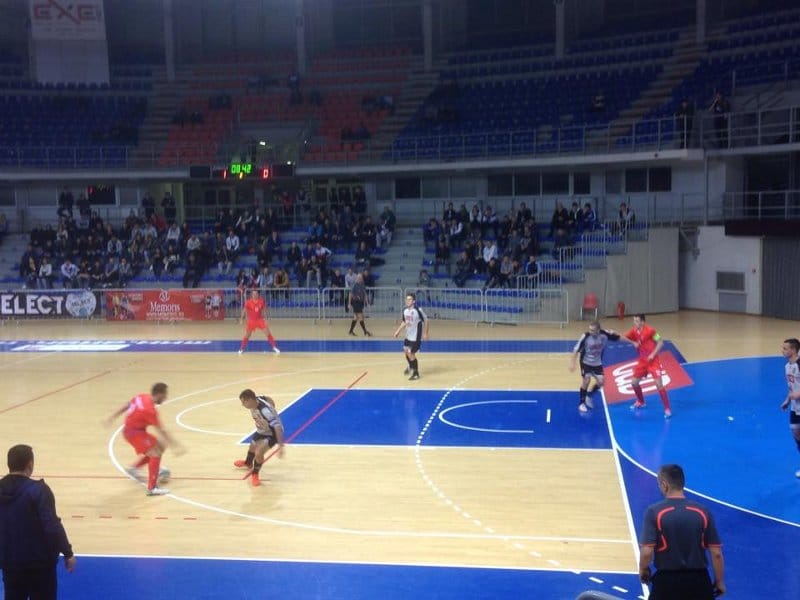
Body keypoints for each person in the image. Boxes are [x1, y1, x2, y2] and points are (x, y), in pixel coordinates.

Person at [0, 444, 76, 599]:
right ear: (30, 464)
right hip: (40, 565)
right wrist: (67, 552)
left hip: (10, 563)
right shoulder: (38, 490)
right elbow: (52, 526)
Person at [639, 464, 725, 599]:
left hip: (667, 584)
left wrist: (643, 570)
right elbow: (716, 554)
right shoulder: (703, 512)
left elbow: (646, 552)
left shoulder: (654, 512)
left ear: (664, 484)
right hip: (699, 583)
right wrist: (719, 581)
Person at [104, 383, 181, 496]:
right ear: (159, 394)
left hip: (133, 431)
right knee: (155, 453)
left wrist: (112, 417)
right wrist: (175, 445)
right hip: (134, 434)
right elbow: (161, 430)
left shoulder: (141, 397)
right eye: (164, 395)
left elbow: (127, 405)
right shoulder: (150, 410)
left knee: (160, 445)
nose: (165, 398)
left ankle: (134, 469)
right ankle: (152, 488)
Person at [622, 314, 672, 418]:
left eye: (636, 321)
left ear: (642, 322)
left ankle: (667, 409)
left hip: (653, 361)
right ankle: (641, 401)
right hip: (642, 362)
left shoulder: (651, 331)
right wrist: (632, 342)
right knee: (634, 383)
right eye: (634, 321)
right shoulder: (633, 331)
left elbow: (661, 342)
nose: (634, 323)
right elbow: (622, 337)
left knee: (659, 385)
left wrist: (653, 354)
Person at [234, 389, 286, 487]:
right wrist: (273, 407)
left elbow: (277, 427)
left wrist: (280, 446)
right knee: (252, 447)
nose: (242, 405)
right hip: (262, 430)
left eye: (243, 402)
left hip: (272, 433)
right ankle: (248, 463)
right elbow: (267, 398)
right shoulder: (257, 399)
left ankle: (255, 474)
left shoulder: (265, 412)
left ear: (249, 400)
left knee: (259, 453)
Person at [569, 321, 621, 413]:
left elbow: (617, 338)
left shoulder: (604, 335)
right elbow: (575, 349)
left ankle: (589, 396)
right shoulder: (585, 336)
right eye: (590, 329)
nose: (590, 332)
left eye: (593, 330)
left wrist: (616, 332)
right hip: (585, 362)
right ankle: (581, 403)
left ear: (598, 330)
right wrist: (573, 363)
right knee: (586, 380)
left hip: (597, 363)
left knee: (601, 382)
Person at [393, 293, 429, 381]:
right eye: (406, 299)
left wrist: (425, 333)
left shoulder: (418, 310)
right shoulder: (405, 311)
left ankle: (416, 373)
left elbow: (426, 320)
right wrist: (398, 331)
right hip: (408, 335)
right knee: (405, 351)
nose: (407, 301)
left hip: (415, 337)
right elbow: (404, 322)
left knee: (410, 353)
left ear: (414, 301)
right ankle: (410, 366)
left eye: (409, 299)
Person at [779, 337, 800, 478]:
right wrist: (787, 400)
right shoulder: (787, 367)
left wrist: (798, 394)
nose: (782, 351)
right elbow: (792, 387)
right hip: (795, 407)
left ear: (793, 350)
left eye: (785, 348)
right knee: (795, 433)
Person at [239, 289, 280, 354]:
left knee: (268, 333)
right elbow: (244, 310)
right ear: (251, 295)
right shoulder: (248, 302)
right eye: (253, 294)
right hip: (251, 321)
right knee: (247, 335)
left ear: (258, 295)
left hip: (259, 320)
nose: (255, 295)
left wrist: (266, 319)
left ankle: (274, 347)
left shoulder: (261, 301)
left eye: (256, 294)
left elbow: (264, 310)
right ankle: (242, 348)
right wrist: (241, 319)